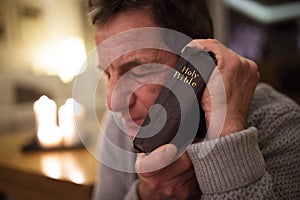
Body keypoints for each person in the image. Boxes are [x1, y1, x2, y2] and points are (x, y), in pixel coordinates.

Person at [88, 0, 300, 199]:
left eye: (139, 70)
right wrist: (146, 195)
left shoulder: (281, 123)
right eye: (107, 75)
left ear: (195, 64)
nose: (113, 103)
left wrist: (226, 132)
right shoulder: (120, 124)